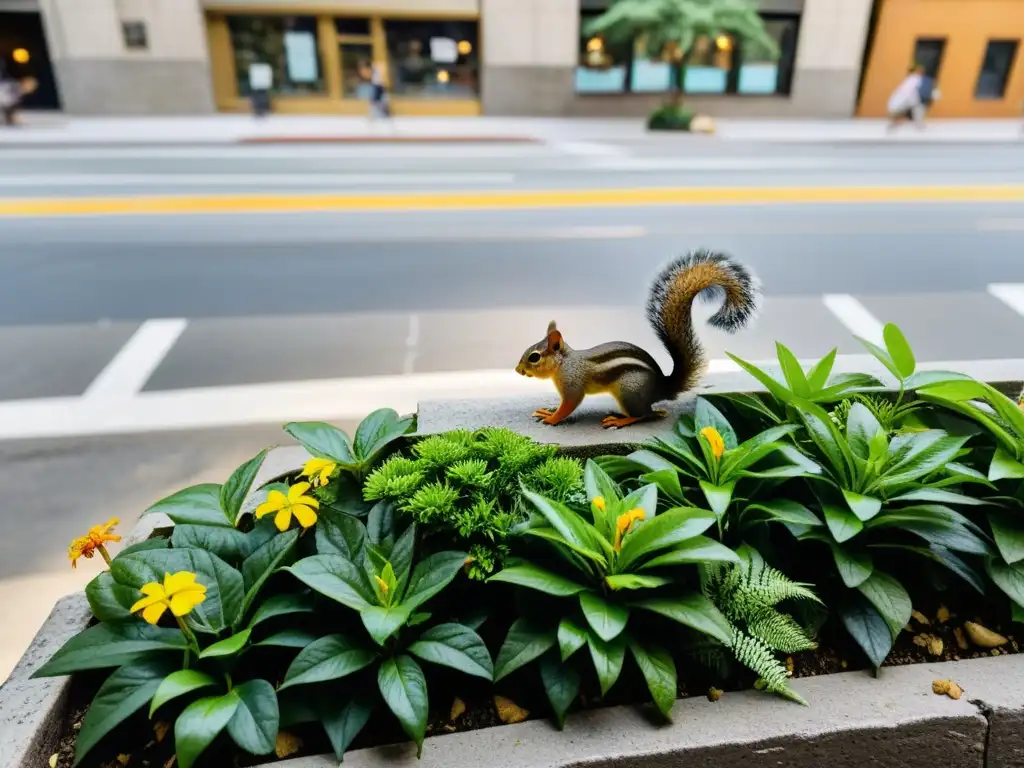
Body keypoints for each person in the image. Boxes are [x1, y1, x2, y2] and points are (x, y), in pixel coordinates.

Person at [887, 64, 925, 133]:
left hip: (905, 99)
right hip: (907, 99)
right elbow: (912, 90)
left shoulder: (911, 78)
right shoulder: (915, 78)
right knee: (918, 108)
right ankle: (919, 125)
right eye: (920, 70)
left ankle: (918, 125)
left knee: (916, 109)